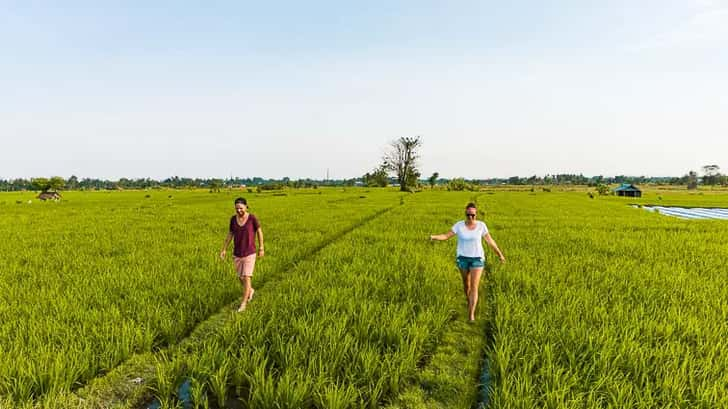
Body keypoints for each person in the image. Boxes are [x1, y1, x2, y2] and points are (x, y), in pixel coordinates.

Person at [429, 202, 505, 321]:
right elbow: (446, 236)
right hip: (462, 259)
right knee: (466, 284)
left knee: (474, 286)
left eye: (472, 215)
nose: (470, 217)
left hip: (477, 259)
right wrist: (433, 237)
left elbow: (490, 241)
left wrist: (500, 254)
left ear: (476, 214)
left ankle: (471, 315)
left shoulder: (481, 226)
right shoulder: (459, 225)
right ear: (465, 213)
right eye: (468, 215)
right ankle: (468, 300)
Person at [220, 197, 264, 312]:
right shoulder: (233, 220)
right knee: (240, 277)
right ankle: (250, 290)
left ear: (246, 206)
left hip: (249, 252)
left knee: (246, 277)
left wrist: (261, 248)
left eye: (241, 208)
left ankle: (243, 304)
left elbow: (259, 232)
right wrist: (224, 249)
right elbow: (230, 234)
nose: (239, 210)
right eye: (236, 208)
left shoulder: (252, 218)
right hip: (237, 253)